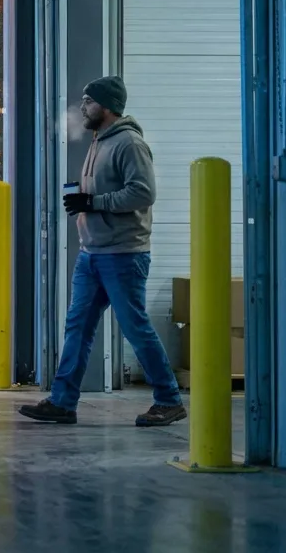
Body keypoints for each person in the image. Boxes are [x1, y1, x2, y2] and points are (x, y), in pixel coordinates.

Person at [20, 76, 186, 427]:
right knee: (77, 327)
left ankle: (169, 400)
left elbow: (143, 193)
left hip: (123, 254)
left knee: (135, 328)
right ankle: (63, 403)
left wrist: (94, 202)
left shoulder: (129, 143)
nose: (82, 106)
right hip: (91, 253)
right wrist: (81, 196)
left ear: (107, 107)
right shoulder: (99, 140)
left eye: (88, 101)